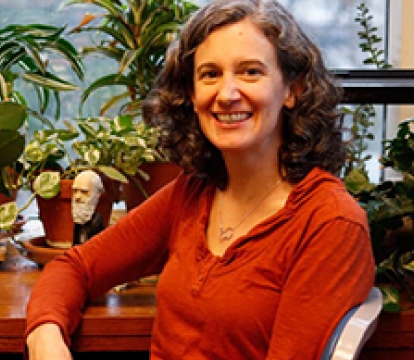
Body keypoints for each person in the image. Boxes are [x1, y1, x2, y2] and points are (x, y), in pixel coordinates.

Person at [24, 0, 375, 359]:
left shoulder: (330, 224)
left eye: (251, 72)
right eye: (210, 74)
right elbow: (75, 267)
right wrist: (46, 340)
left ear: (292, 89)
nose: (226, 94)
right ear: (191, 96)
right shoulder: (191, 194)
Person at [71, 170, 105, 245]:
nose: (77, 197)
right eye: (75, 191)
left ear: (98, 194)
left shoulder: (96, 221)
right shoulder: (78, 222)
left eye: (84, 192)